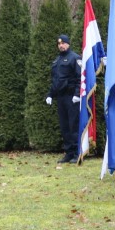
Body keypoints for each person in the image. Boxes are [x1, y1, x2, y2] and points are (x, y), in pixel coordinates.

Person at [46, 34, 81, 163]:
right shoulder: (56, 61)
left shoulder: (75, 58)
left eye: (63, 43)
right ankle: (69, 152)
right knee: (65, 126)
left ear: (68, 44)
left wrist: (77, 94)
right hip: (61, 98)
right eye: (59, 44)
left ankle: (77, 152)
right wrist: (50, 94)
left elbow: (80, 78)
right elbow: (55, 81)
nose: (61, 46)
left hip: (72, 97)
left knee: (74, 125)